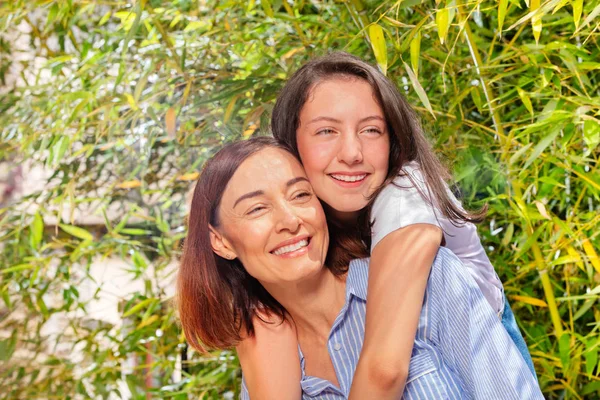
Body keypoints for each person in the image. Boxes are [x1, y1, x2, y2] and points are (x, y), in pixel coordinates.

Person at [237, 52, 536, 399]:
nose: (352, 152)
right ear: (291, 143)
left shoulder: (407, 193)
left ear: (393, 140)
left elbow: (384, 369)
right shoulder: (299, 220)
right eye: (326, 130)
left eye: (371, 130)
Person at [177, 137, 543, 400]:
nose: (289, 220)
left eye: (300, 195)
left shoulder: (431, 280)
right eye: (257, 208)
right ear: (220, 241)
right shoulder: (268, 371)